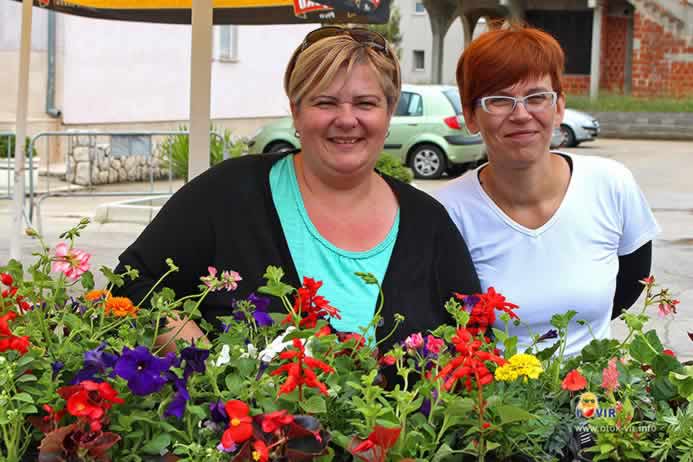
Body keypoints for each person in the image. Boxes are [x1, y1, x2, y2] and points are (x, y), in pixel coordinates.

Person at [113, 26, 480, 352]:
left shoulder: (427, 223)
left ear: (388, 113)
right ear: (295, 110)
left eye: (366, 103)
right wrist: (205, 366)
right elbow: (132, 283)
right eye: (326, 102)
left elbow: (475, 335)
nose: (347, 119)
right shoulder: (229, 194)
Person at [433, 23, 660, 356]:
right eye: (499, 100)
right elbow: (451, 322)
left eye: (537, 97)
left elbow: (632, 281)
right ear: (470, 116)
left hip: (597, 400)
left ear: (559, 108)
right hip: (495, 402)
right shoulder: (447, 211)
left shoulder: (611, 185)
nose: (521, 115)